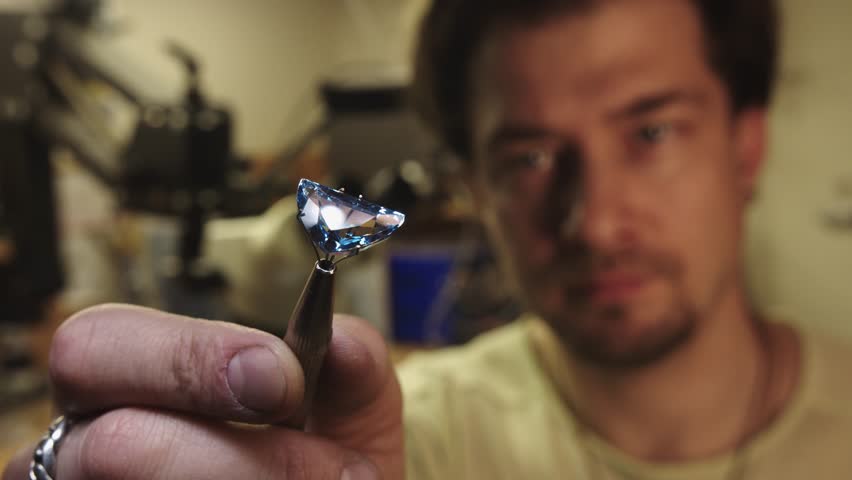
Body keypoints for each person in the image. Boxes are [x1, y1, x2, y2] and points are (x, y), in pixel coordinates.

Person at [5, 0, 852, 478]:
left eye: (653, 132)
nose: (594, 221)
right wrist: (56, 466)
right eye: (528, 157)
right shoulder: (394, 439)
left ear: (747, 142)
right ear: (475, 188)